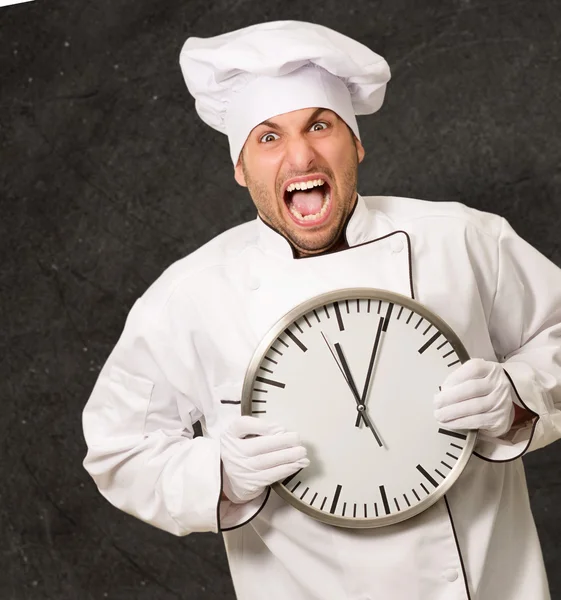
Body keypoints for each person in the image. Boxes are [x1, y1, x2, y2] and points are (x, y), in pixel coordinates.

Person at [82, 20, 561, 600]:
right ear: (240, 168)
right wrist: (220, 474)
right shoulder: (190, 297)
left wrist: (516, 393)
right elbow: (118, 449)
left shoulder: (460, 239)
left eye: (319, 125)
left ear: (355, 142)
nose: (300, 155)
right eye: (268, 137)